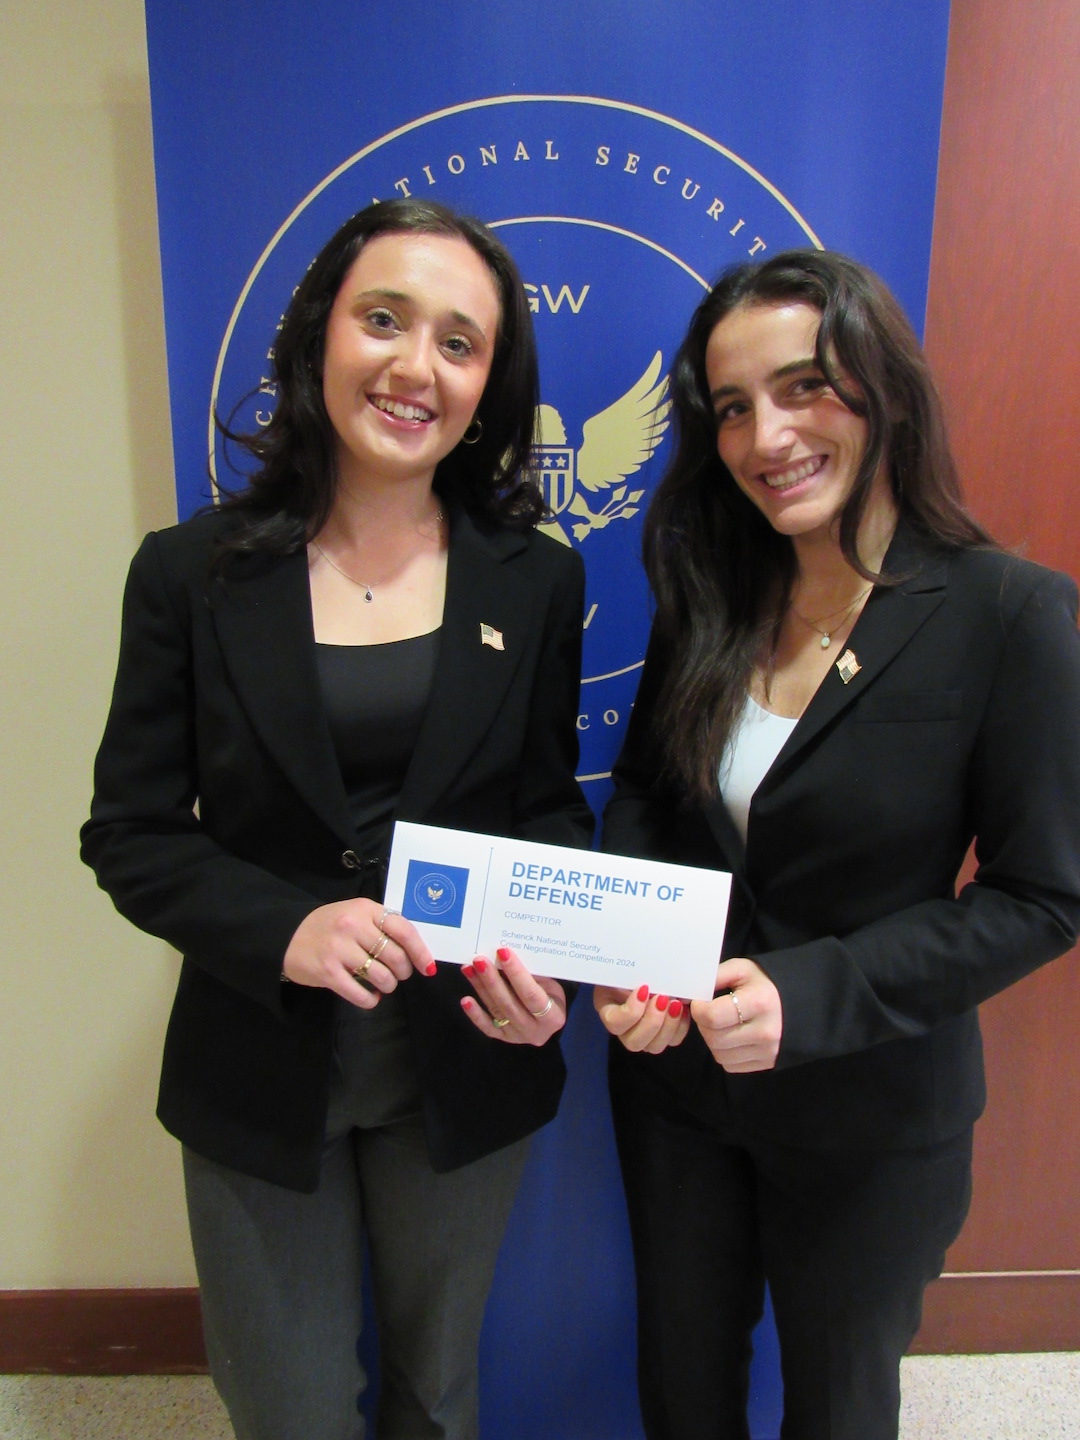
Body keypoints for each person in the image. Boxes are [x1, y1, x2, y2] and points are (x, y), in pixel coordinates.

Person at [81, 198, 594, 1440]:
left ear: (490, 385)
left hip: (463, 1056)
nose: (419, 366)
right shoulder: (189, 574)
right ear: (319, 335)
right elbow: (131, 831)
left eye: (461, 343)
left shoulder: (537, 579)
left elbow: (544, 817)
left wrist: (556, 974)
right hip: (259, 1057)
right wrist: (286, 928)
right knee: (289, 1405)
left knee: (436, 1391)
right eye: (385, 319)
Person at [594, 249, 1080, 1440]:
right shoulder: (710, 590)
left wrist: (812, 995)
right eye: (733, 408)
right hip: (677, 1089)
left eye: (806, 386)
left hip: (872, 1110)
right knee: (683, 1390)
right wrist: (632, 949)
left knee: (838, 1406)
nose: (769, 437)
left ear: (884, 387)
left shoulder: (1008, 612)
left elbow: (1042, 895)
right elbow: (651, 800)